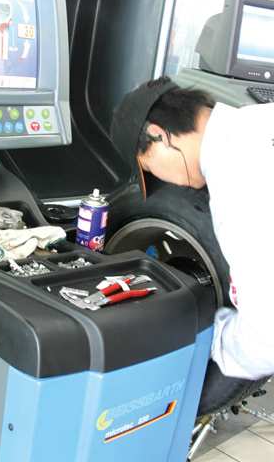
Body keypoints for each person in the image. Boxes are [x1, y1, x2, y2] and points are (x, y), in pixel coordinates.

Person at [110, 76, 274, 381]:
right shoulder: (260, 119)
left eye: (149, 167)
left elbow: (267, 338)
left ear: (159, 135)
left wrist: (212, 337)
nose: (165, 179)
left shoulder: (237, 188)